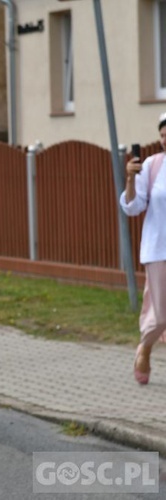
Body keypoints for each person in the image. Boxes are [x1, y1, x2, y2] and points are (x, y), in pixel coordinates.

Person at [121, 112, 166, 385]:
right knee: (160, 316)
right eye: (162, 136)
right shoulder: (152, 166)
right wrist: (129, 179)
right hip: (159, 250)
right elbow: (133, 206)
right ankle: (146, 346)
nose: (164, 141)